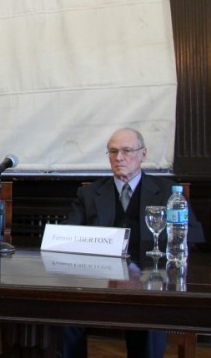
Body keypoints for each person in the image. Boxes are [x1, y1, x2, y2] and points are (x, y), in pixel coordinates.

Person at [64, 127, 205, 358]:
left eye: (127, 150)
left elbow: (194, 235)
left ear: (143, 154)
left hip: (150, 283)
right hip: (100, 286)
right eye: (113, 151)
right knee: (64, 315)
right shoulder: (89, 194)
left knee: (150, 316)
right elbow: (68, 235)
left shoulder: (167, 191)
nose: (119, 158)